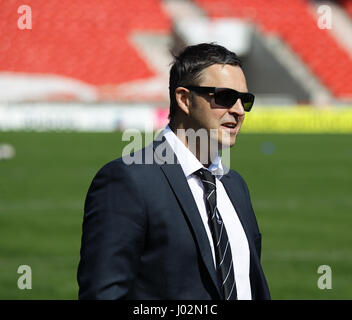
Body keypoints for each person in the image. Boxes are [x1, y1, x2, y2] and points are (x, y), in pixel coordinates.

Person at [77, 43, 270, 300]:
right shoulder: (129, 180)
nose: (237, 110)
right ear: (184, 99)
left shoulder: (235, 185)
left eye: (245, 100)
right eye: (224, 97)